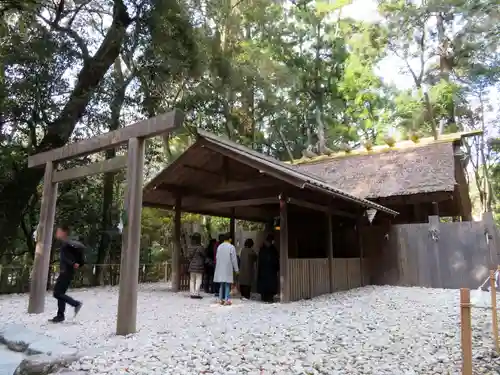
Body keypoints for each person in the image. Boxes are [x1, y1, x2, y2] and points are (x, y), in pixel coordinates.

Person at [50, 225, 84, 323]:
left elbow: (66, 258)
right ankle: (60, 316)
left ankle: (76, 304)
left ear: (64, 233)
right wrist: (77, 263)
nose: (57, 233)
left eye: (58, 231)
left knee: (57, 293)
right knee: (60, 293)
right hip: (67, 271)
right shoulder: (69, 244)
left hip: (66, 272)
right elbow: (77, 258)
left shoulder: (67, 244)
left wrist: (74, 263)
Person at [213, 233, 239, 305]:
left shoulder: (219, 246)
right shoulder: (231, 247)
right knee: (227, 284)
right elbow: (234, 259)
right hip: (228, 267)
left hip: (220, 267)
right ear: (230, 239)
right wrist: (236, 270)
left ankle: (220, 299)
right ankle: (226, 299)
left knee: (221, 284)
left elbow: (217, 257)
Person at [257, 234, 279, 303]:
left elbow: (260, 260)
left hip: (265, 270)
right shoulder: (273, 249)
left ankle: (265, 297)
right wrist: (277, 267)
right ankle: (269, 297)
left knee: (265, 284)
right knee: (270, 284)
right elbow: (276, 259)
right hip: (271, 270)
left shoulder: (262, 249)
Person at [188, 232, 205, 299]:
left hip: (192, 266)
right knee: (198, 279)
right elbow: (204, 255)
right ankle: (196, 293)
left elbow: (188, 256)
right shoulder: (200, 247)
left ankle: (192, 293)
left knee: (192, 280)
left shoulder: (190, 247)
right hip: (199, 266)